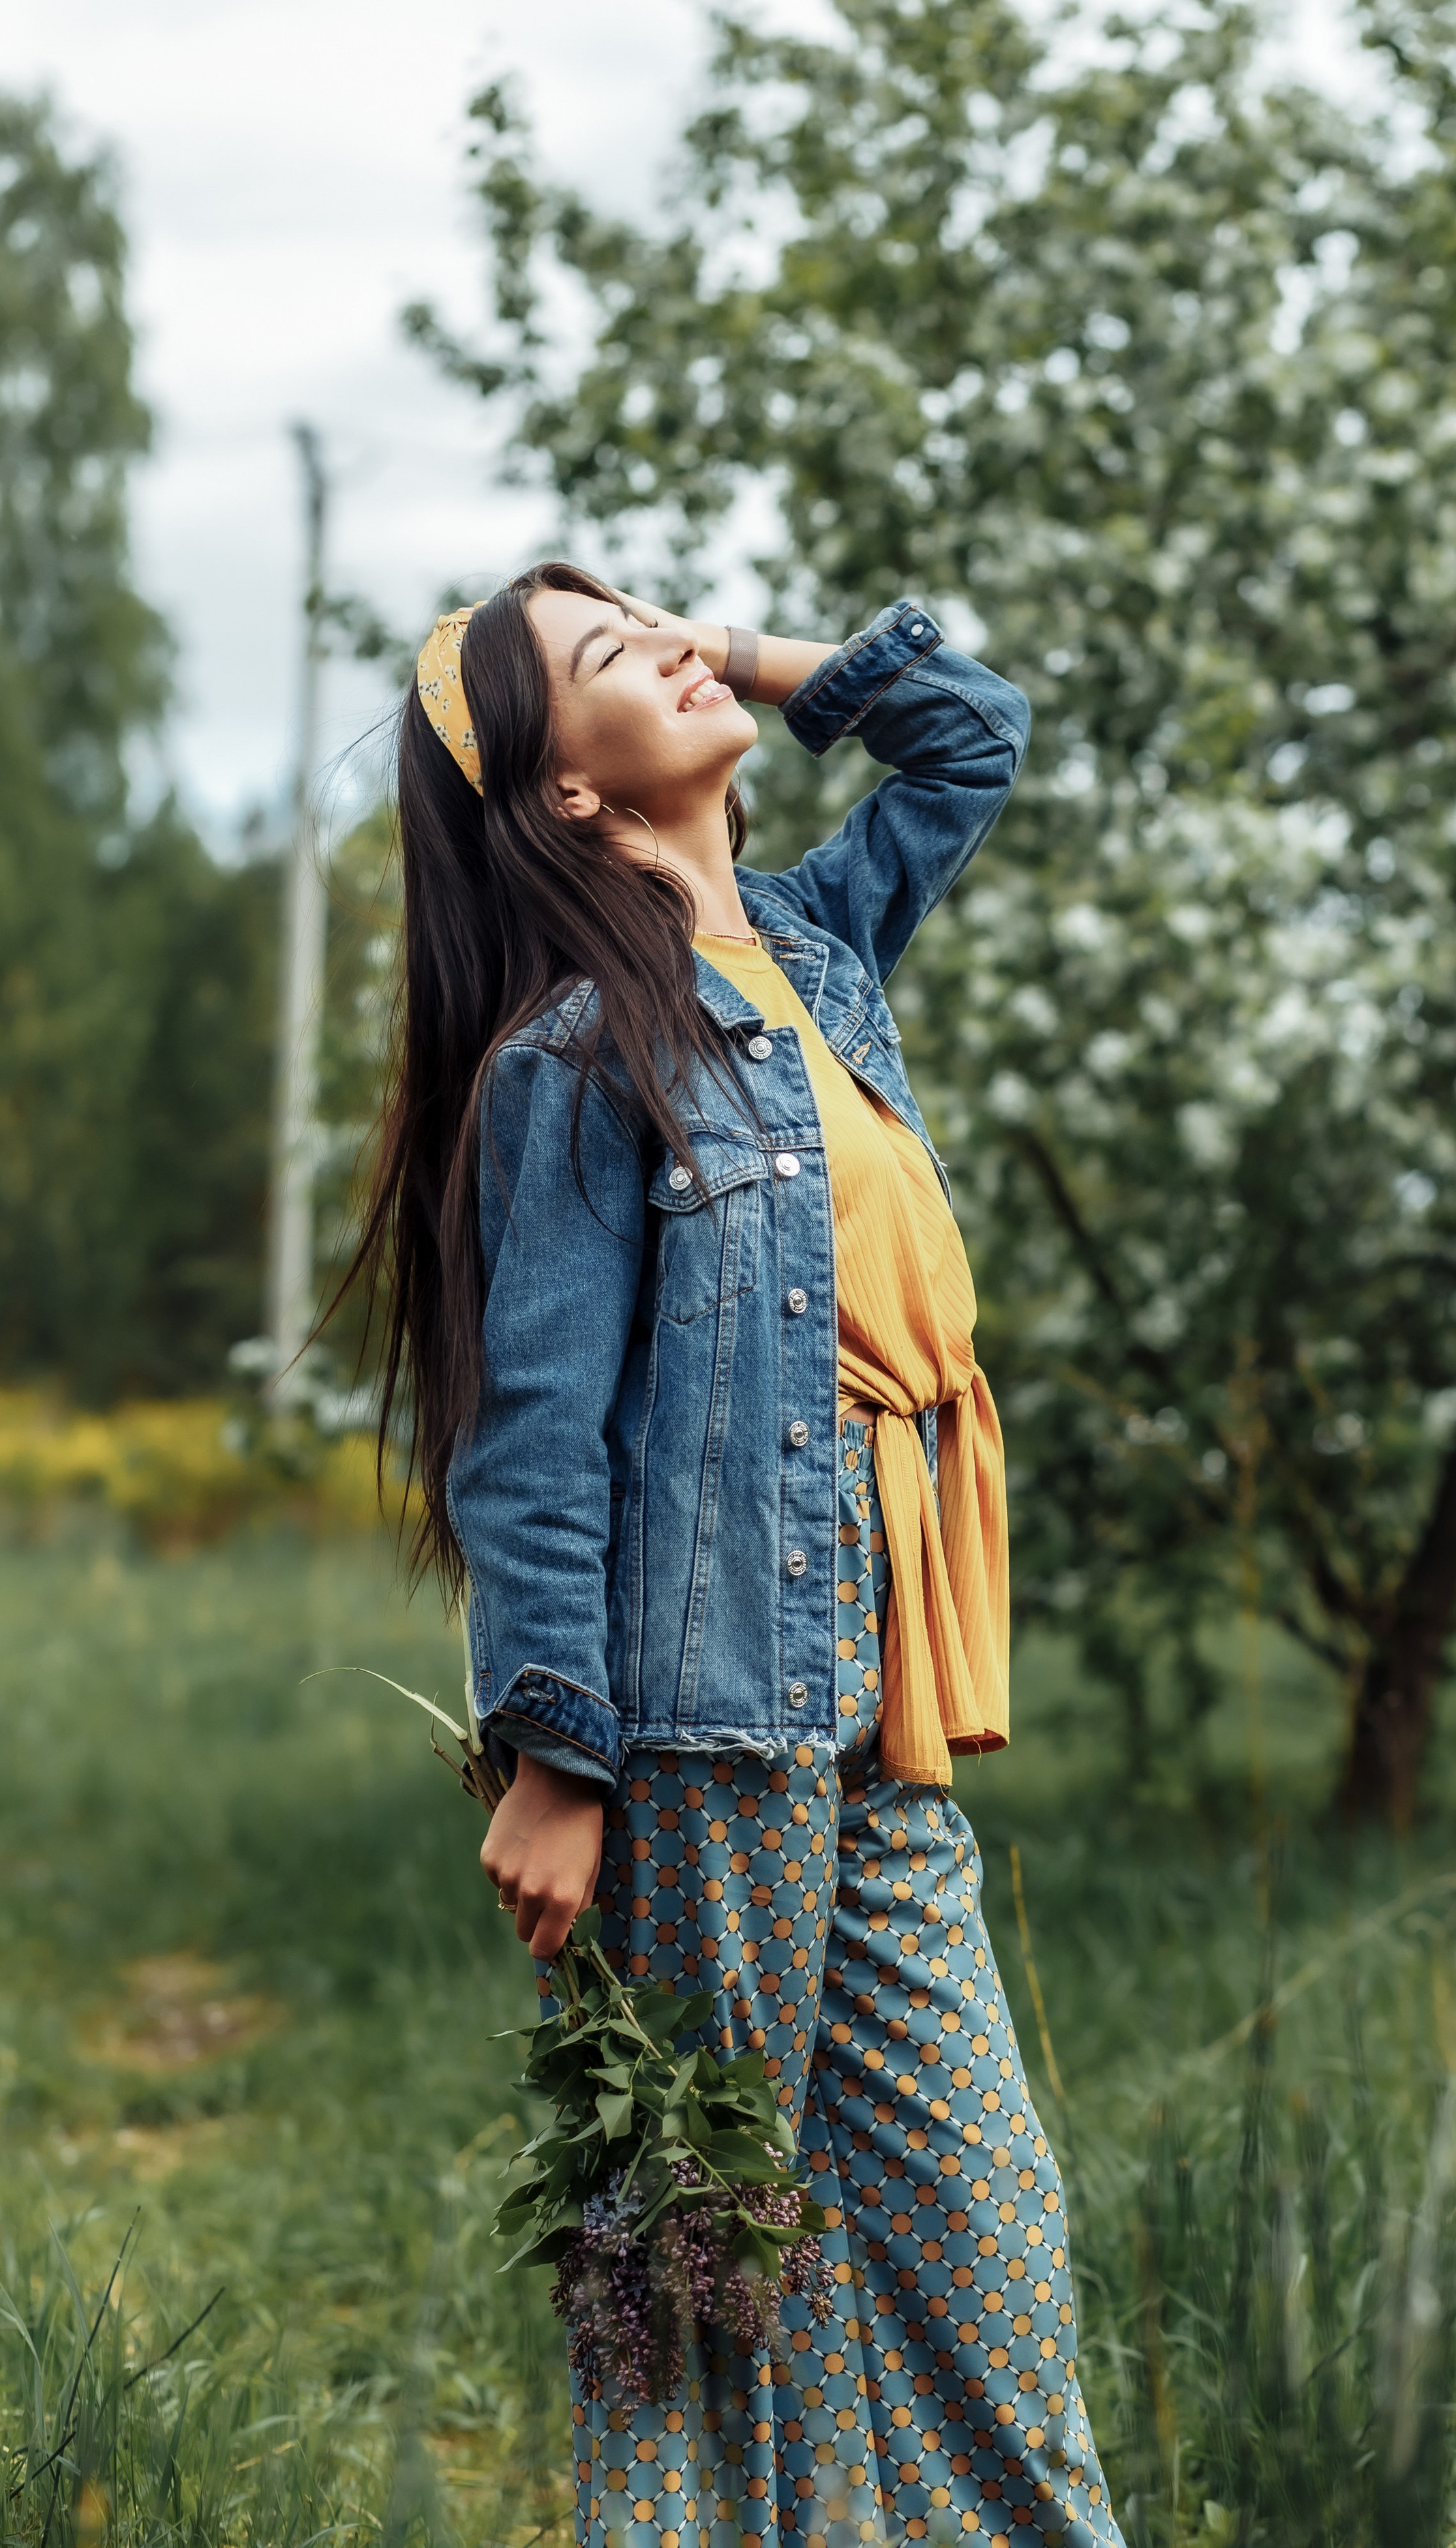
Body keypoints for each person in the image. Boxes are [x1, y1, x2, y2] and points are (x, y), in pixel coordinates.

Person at [348, 565, 1123, 2548]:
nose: (683, 654)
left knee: (989, 2259)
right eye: (620, 663)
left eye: (664, 625)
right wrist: (551, 1758)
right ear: (572, 802)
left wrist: (728, 652)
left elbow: (974, 727)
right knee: (700, 2289)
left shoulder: (819, 952)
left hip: (883, 1729)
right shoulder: (578, 1060)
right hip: (699, 1741)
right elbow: (533, 1437)